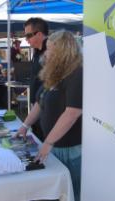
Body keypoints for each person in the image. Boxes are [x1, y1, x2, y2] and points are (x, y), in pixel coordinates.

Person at [17, 30, 82, 201]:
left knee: (72, 193)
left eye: (50, 49)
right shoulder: (54, 73)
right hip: (53, 145)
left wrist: (48, 142)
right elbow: (39, 102)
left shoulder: (77, 73)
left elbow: (72, 113)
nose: (47, 53)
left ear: (63, 50)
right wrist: (24, 126)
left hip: (69, 148)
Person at [23, 17, 48, 141]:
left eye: (28, 36)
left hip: (47, 110)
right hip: (36, 108)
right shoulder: (36, 52)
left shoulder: (51, 52)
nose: (26, 40)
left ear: (38, 34)